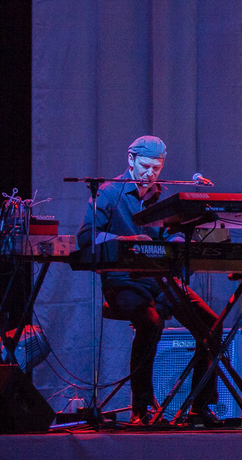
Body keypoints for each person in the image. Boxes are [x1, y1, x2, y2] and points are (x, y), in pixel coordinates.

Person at [78, 135, 221, 426]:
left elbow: (173, 235)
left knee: (212, 324)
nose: (149, 174)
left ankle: (200, 405)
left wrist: (179, 241)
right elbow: (85, 238)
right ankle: (141, 406)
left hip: (161, 281)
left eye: (156, 168)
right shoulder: (108, 193)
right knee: (150, 321)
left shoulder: (165, 197)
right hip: (123, 281)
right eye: (144, 166)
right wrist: (126, 240)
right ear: (130, 160)